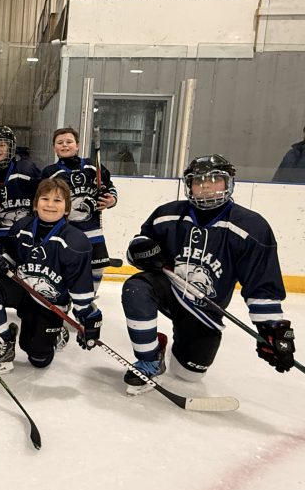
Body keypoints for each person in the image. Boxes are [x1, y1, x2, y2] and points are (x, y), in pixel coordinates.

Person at [121, 154, 296, 395]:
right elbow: (138, 247)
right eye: (198, 180)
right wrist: (140, 251)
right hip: (168, 289)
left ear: (229, 183)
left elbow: (261, 283)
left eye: (215, 179)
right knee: (136, 289)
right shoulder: (167, 214)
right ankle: (149, 359)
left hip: (204, 311)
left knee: (188, 375)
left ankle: (181, 349)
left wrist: (271, 329)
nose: (205, 185)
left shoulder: (251, 227)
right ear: (189, 185)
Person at [0, 178, 99, 376]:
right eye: (45, 198)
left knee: (39, 359)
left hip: (50, 303)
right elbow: (10, 259)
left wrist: (88, 318)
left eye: (57, 201)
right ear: (35, 204)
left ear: (66, 209)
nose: (50, 205)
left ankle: (56, 333)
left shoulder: (75, 241)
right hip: (22, 289)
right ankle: (3, 343)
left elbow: (80, 285)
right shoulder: (22, 227)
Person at [41, 127, 117, 295]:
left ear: (77, 145)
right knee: (66, 267)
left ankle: (89, 298)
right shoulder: (50, 172)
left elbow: (109, 187)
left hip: (92, 229)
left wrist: (111, 200)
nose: (65, 145)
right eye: (60, 143)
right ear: (54, 147)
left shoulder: (92, 166)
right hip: (65, 231)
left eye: (69, 142)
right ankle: (66, 299)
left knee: (97, 267)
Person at [0, 125, 41, 240]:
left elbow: (44, 197)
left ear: (10, 148)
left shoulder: (26, 170)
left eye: (2, 145)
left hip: (28, 232)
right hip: (0, 234)